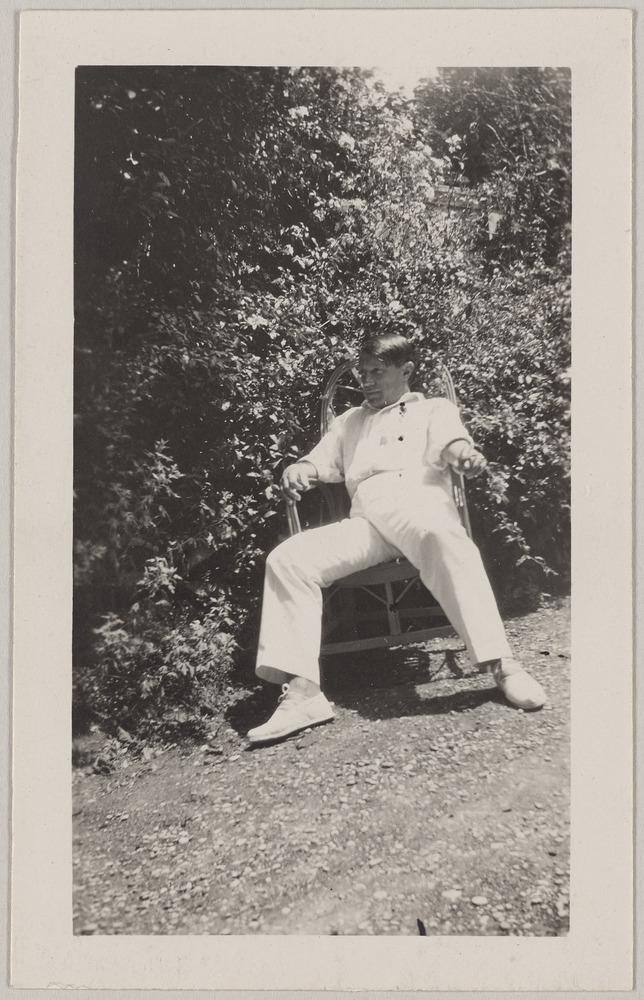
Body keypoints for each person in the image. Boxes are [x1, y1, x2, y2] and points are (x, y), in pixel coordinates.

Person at [248, 334, 546, 744]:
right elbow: (319, 461)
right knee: (287, 559)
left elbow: (453, 443)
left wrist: (464, 456)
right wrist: (300, 468)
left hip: (418, 507)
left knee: (442, 534)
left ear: (406, 371)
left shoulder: (433, 409)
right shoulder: (349, 421)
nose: (367, 381)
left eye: (377, 372)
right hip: (367, 521)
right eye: (362, 373)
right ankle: (303, 694)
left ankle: (502, 664)